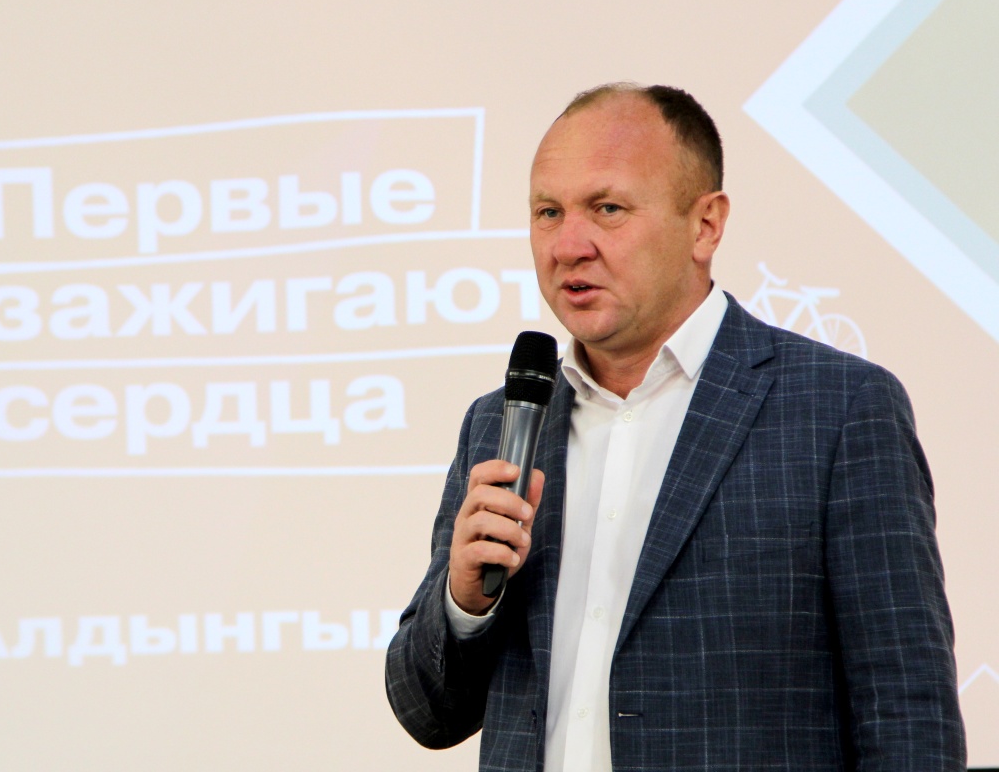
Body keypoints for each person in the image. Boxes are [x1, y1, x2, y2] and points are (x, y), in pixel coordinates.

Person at [384, 83, 965, 771]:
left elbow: (907, 710)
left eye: (608, 209)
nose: (568, 245)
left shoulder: (838, 409)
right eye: (548, 212)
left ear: (705, 225)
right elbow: (428, 713)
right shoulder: (501, 424)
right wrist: (463, 601)